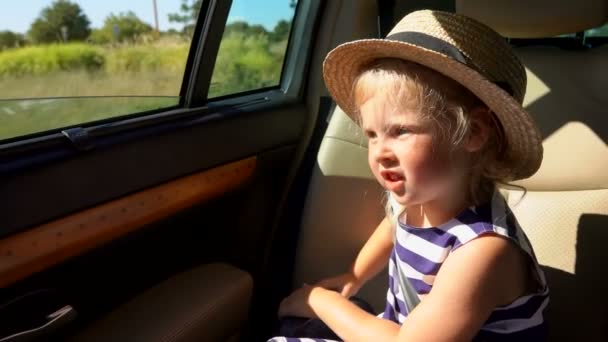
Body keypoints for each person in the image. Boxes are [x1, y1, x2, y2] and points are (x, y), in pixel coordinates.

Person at [268, 9, 549, 342]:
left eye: (401, 131)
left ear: (474, 132)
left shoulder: (483, 251)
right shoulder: (421, 199)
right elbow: (393, 224)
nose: (379, 152)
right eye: (372, 134)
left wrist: (321, 302)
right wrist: (354, 275)